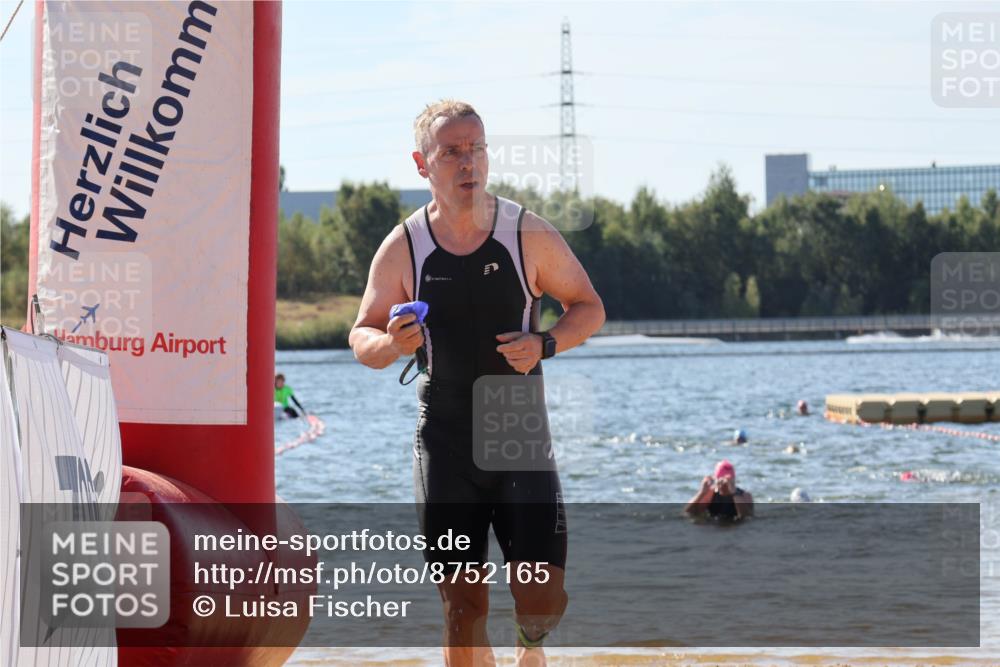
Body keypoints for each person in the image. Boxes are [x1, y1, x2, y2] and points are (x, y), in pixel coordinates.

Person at [349, 99, 605, 667]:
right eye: (452, 152)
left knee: (541, 598)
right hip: (444, 436)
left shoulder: (526, 233)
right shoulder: (404, 246)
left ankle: (531, 650)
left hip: (516, 430)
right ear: (422, 164)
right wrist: (394, 344)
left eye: (478, 149)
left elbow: (588, 307)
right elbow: (361, 336)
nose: (469, 163)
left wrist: (545, 343)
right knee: (462, 609)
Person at [684, 460, 754, 521]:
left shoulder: (745, 496)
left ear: (733, 481)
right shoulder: (710, 494)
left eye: (728, 482)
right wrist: (702, 492)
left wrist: (734, 492)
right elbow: (689, 513)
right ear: (716, 480)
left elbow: (747, 518)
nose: (724, 485)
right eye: (721, 482)